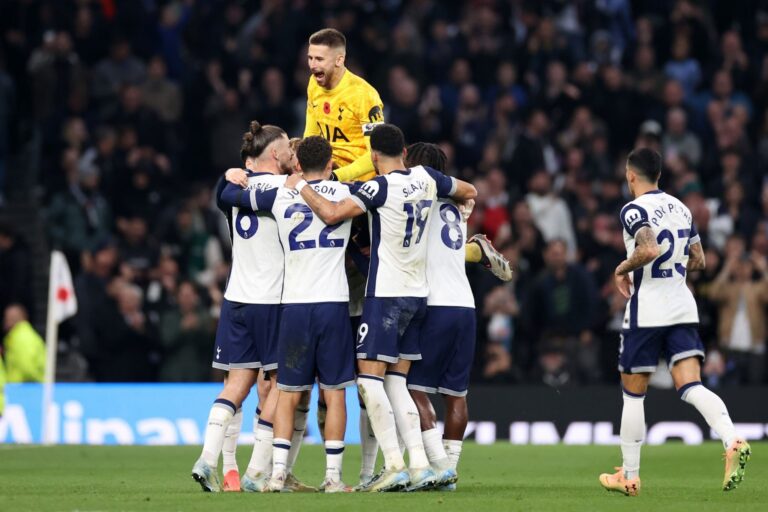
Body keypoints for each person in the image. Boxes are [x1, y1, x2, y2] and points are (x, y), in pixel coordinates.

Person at [285, 123, 477, 492]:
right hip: (419, 297)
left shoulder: (378, 186)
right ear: (404, 152)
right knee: (396, 382)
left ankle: (394, 464)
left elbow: (331, 213)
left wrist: (302, 187)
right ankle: (422, 464)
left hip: (385, 294)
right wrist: (463, 200)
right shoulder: (427, 178)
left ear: (373, 156)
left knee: (370, 380)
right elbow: (469, 190)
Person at [598, 148, 751, 496]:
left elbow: (649, 249)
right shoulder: (682, 207)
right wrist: (673, 269)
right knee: (690, 386)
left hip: (647, 308)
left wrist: (621, 268)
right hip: (682, 305)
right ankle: (732, 439)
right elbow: (699, 260)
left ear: (630, 175)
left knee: (633, 395)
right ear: (660, 175)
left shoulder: (633, 209)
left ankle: (630, 476)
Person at [222, 135, 356, 492]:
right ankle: (332, 478)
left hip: (293, 305)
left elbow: (230, 196)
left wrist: (233, 173)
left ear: (297, 164)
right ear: (331, 165)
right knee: (335, 393)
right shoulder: (348, 194)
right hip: (332, 303)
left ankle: (277, 473)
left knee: (288, 390)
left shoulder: (281, 193)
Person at [191, 121, 293, 493]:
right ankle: (256, 471)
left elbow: (221, 196)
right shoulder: (287, 188)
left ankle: (207, 458)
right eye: (288, 149)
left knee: (235, 386)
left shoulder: (232, 187)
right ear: (276, 154)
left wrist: (227, 176)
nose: (293, 154)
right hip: (274, 300)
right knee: (275, 389)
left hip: (237, 299)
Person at [404, 142, 481, 491]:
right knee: (456, 394)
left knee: (409, 387)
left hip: (433, 304)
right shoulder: (459, 205)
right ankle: (450, 469)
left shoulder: (415, 199)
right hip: (465, 305)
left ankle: (437, 464)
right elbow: (468, 196)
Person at [303, 28, 384, 182]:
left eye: (319, 59)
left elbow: (376, 153)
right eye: (310, 58)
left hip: (358, 183)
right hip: (325, 176)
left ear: (339, 60)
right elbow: (310, 136)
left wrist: (337, 177)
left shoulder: (364, 95)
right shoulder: (313, 83)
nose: (312, 65)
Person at [2, 304, 45, 383]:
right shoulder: (21, 335)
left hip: (23, 390)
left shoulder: (21, 338)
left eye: (6, 318)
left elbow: (27, 368)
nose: (4, 321)